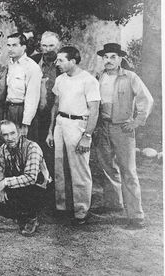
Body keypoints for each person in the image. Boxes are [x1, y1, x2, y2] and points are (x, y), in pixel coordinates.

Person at [93, 43, 153, 229]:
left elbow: (146, 99)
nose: (109, 60)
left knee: (128, 170)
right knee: (107, 167)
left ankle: (136, 215)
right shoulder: (99, 76)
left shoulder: (130, 77)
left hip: (123, 128)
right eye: (106, 57)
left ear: (120, 59)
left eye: (113, 57)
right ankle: (113, 203)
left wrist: (137, 121)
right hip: (102, 126)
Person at [46, 46, 100, 225]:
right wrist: (50, 130)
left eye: (61, 60)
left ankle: (81, 212)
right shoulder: (60, 79)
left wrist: (87, 136)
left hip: (78, 125)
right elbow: (55, 104)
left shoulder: (89, 80)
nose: (57, 63)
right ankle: (62, 207)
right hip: (61, 123)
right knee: (59, 167)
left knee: (79, 169)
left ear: (73, 61)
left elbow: (94, 111)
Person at [0, 120, 51, 236]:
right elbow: (0, 169)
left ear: (19, 133)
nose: (9, 138)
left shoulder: (32, 147)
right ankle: (20, 213)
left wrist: (5, 183)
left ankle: (32, 218)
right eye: (5, 135)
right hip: (18, 183)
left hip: (39, 186)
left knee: (27, 192)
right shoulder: (3, 148)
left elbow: (30, 178)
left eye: (12, 133)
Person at [31, 31, 62, 207]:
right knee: (36, 153)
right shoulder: (33, 61)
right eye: (44, 45)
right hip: (35, 115)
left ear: (58, 46)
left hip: (56, 116)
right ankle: (37, 196)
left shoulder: (62, 63)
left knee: (53, 156)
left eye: (51, 46)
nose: (47, 49)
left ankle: (54, 198)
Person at [5, 33, 42, 141]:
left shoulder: (31, 67)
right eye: (8, 45)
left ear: (24, 47)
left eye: (14, 45)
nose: (10, 49)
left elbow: (32, 98)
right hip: (9, 110)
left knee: (24, 146)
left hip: (22, 111)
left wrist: (26, 123)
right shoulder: (10, 64)